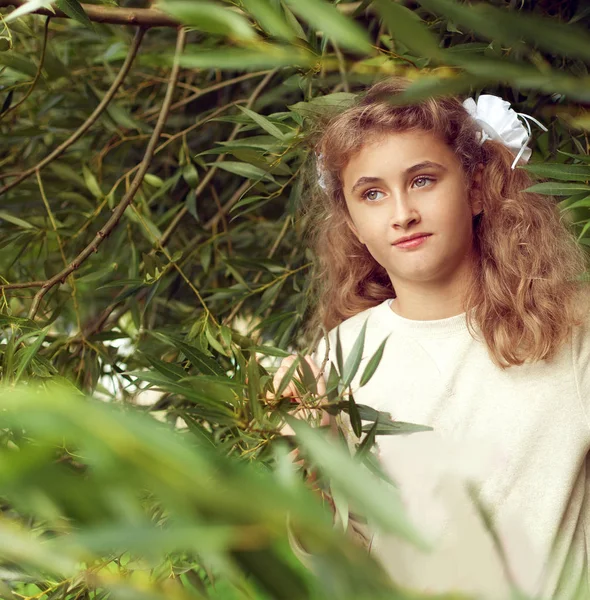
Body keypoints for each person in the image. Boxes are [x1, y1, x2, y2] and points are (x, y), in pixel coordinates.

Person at [273, 77, 590, 599]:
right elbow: (343, 561)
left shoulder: (569, 328)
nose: (402, 214)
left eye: (422, 180)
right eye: (372, 194)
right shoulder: (336, 359)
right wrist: (307, 467)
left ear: (478, 187)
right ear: (352, 223)